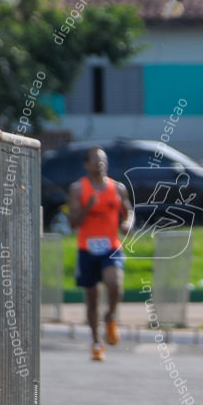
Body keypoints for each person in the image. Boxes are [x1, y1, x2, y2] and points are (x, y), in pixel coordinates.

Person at [68, 147, 134, 362]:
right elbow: (72, 223)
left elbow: (129, 211)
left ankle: (111, 317)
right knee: (92, 298)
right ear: (86, 164)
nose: (100, 164)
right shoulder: (78, 188)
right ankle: (96, 342)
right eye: (95, 160)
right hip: (86, 248)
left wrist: (126, 224)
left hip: (111, 246)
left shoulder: (118, 188)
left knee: (114, 284)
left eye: (103, 160)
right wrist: (87, 207)